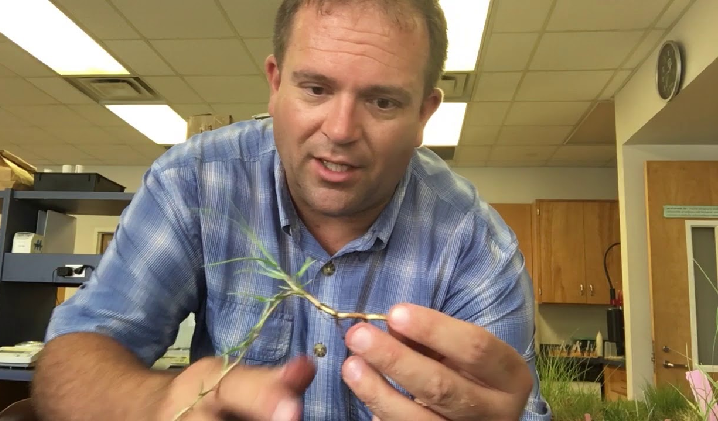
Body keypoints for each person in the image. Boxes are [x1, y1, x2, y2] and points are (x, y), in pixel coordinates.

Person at [31, 0, 552, 420]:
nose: (341, 130)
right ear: (276, 83)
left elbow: (512, 405)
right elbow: (73, 357)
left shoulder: (476, 244)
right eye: (316, 88)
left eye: (383, 102)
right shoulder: (195, 181)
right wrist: (159, 402)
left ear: (424, 115)